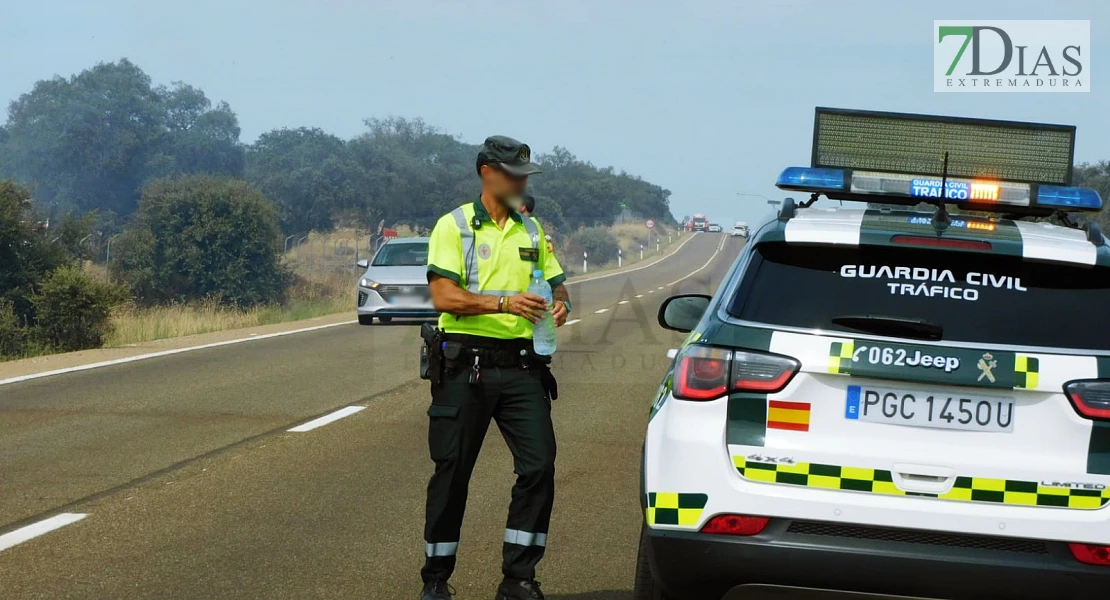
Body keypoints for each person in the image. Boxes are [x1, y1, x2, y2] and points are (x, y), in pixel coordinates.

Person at [420, 135, 572, 600]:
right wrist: (504, 302)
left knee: (539, 466)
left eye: (525, 174)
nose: (522, 180)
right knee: (453, 472)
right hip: (466, 365)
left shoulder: (532, 229)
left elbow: (558, 286)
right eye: (513, 172)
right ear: (487, 171)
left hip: (523, 368)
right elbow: (444, 297)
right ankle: (436, 581)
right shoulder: (456, 226)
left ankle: (518, 578)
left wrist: (561, 305)